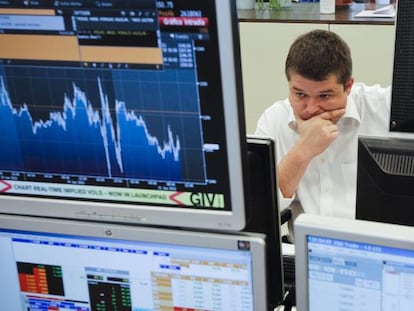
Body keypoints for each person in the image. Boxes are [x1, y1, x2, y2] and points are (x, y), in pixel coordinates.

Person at [255, 29, 391, 236]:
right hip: (303, 254)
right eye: (300, 94)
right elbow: (257, 210)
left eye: (325, 95)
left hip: (376, 251)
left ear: (348, 86)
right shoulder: (274, 120)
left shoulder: (383, 107)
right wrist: (303, 151)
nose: (311, 108)